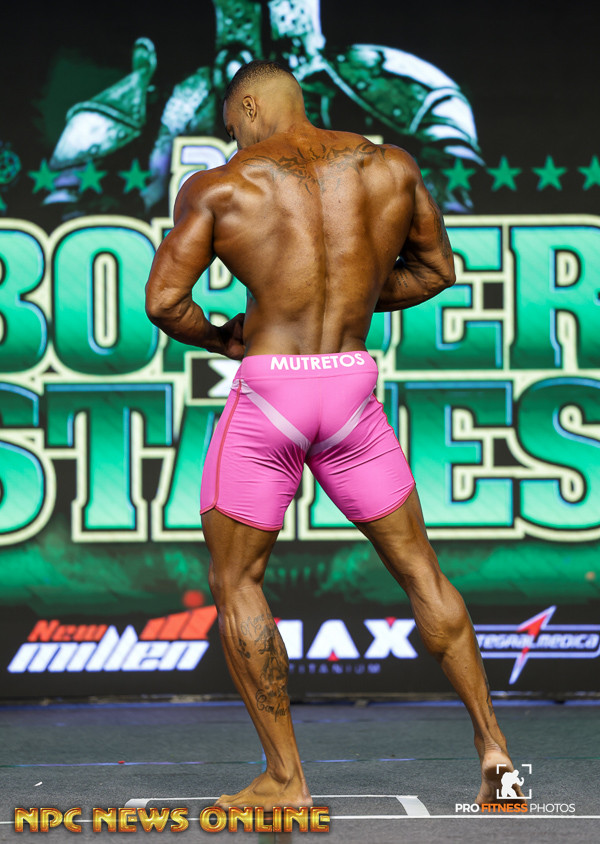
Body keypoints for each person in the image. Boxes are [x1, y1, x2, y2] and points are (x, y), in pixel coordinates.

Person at [145, 59, 520, 811]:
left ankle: (286, 780)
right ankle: (496, 752)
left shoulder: (222, 186)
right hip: (351, 389)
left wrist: (222, 337)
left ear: (251, 106)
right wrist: (347, 292)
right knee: (421, 571)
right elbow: (436, 271)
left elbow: (164, 301)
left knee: (237, 581)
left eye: (232, 123)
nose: (232, 136)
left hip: (272, 394)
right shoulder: (390, 167)